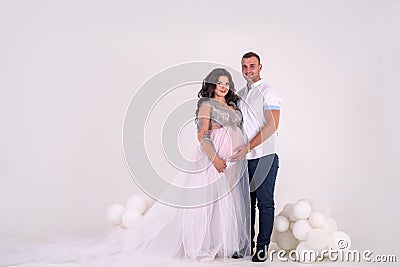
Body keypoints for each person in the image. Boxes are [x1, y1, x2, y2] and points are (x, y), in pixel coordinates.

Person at [0, 68, 251, 266]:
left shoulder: (232, 105)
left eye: (227, 83)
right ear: (211, 85)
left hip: (232, 164)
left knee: (224, 203)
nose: (224, 86)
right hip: (211, 158)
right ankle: (200, 246)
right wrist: (216, 158)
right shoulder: (206, 105)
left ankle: (220, 245)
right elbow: (203, 136)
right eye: (220, 82)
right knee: (205, 203)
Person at [230, 52, 282, 262]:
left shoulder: (269, 91)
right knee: (245, 204)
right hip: (245, 160)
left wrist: (248, 146)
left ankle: (262, 249)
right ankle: (245, 246)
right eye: (244, 66)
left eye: (252, 66)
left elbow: (272, 125)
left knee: (265, 204)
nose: (248, 70)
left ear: (260, 67)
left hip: (265, 157)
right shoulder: (241, 93)